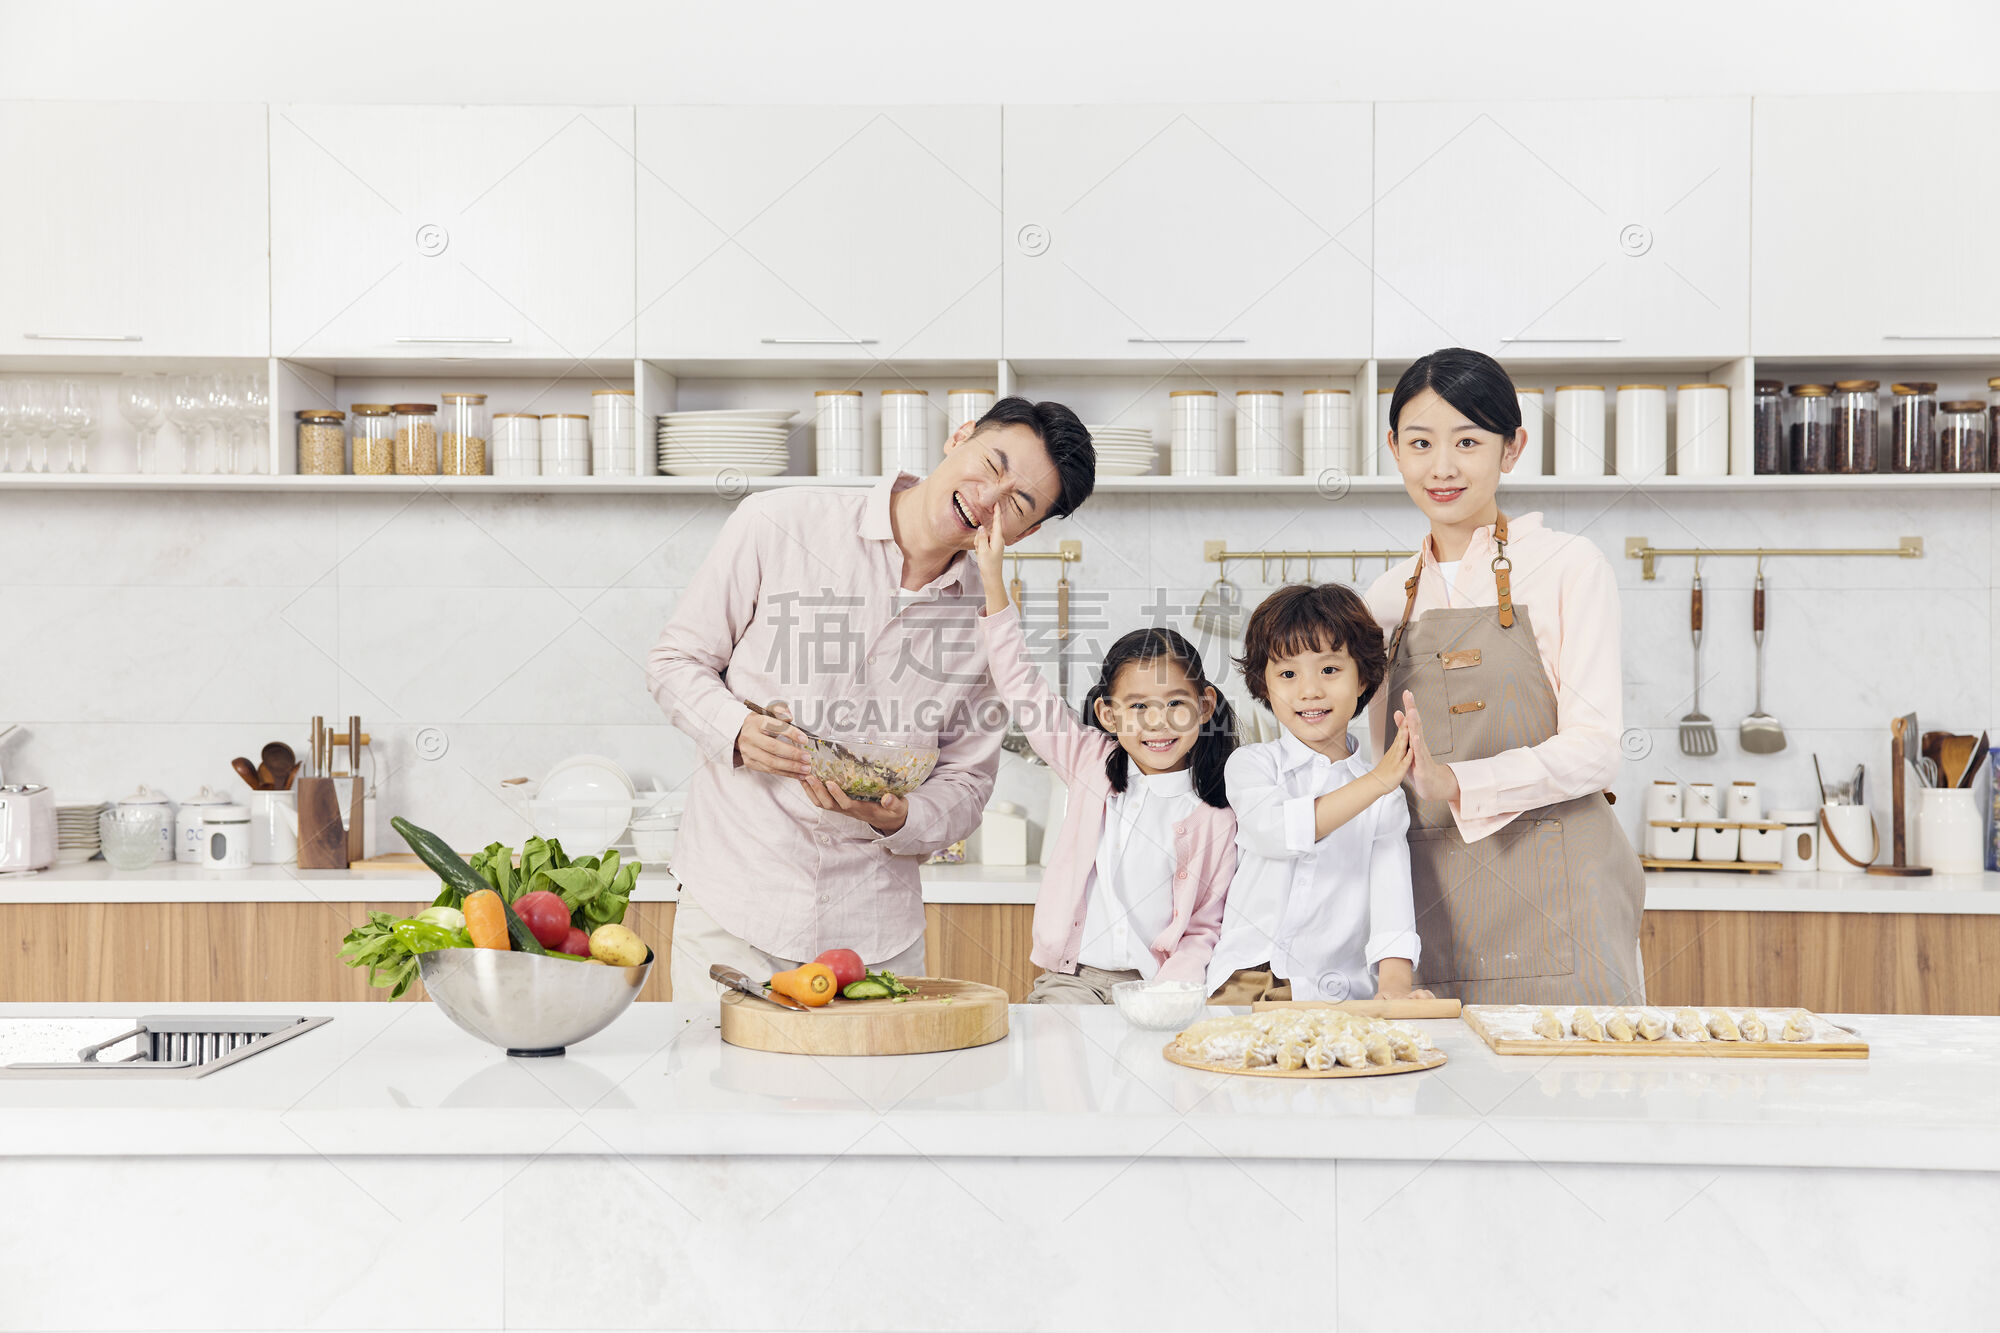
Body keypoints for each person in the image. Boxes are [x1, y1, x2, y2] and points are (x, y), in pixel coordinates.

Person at [646, 397, 1096, 999]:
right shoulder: (777, 522)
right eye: (991, 464)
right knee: (720, 1091)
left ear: (1028, 531)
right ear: (960, 436)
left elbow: (967, 784)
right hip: (734, 906)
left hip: (876, 938)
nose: (989, 498)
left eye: (1018, 502)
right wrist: (735, 729)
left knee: (877, 1091)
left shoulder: (987, 625)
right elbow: (676, 662)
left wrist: (903, 818)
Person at [1363, 347, 1645, 1005]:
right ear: (1393, 449)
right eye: (1421, 442)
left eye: (1468, 440)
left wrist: (1459, 780)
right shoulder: (1383, 599)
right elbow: (1380, 776)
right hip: (1435, 908)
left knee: (1572, 1098)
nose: (1442, 466)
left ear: (1511, 449)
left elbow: (1598, 749)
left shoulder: (1570, 566)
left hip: (1563, 900)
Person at [971, 521, 1237, 1003]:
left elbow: (1205, 924)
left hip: (1161, 988)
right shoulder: (1089, 760)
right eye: (1138, 707)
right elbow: (1021, 683)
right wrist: (993, 579)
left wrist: (1170, 992)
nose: (1157, 723)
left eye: (1176, 703)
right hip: (1075, 982)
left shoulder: (1220, 809)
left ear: (1204, 706)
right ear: (1107, 715)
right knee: (1054, 1067)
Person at [1207, 583, 1428, 1004]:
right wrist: (1378, 781)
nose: (1309, 691)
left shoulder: (1386, 798)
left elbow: (1392, 901)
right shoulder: (1252, 765)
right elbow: (1276, 832)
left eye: (1329, 670)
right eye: (1288, 674)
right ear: (1264, 686)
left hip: (1335, 990)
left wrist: (1396, 990)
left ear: (1363, 678)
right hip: (1243, 980)